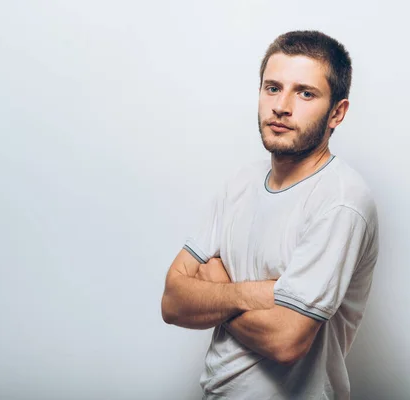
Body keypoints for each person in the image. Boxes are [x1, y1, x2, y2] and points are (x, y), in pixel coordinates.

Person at [161, 30, 379, 399]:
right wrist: (259, 293)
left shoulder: (341, 200)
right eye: (272, 88)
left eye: (305, 93)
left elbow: (285, 341)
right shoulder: (241, 182)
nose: (282, 106)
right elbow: (172, 301)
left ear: (337, 113)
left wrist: (216, 284)